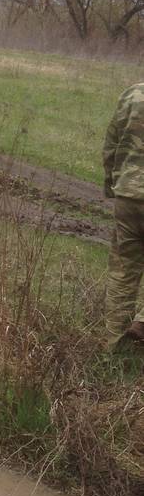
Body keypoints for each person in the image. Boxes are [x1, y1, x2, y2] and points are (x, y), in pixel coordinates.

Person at [103, 83, 144, 348]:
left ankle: (113, 344)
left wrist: (112, 185)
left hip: (128, 196)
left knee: (123, 271)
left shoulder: (133, 94)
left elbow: (111, 145)